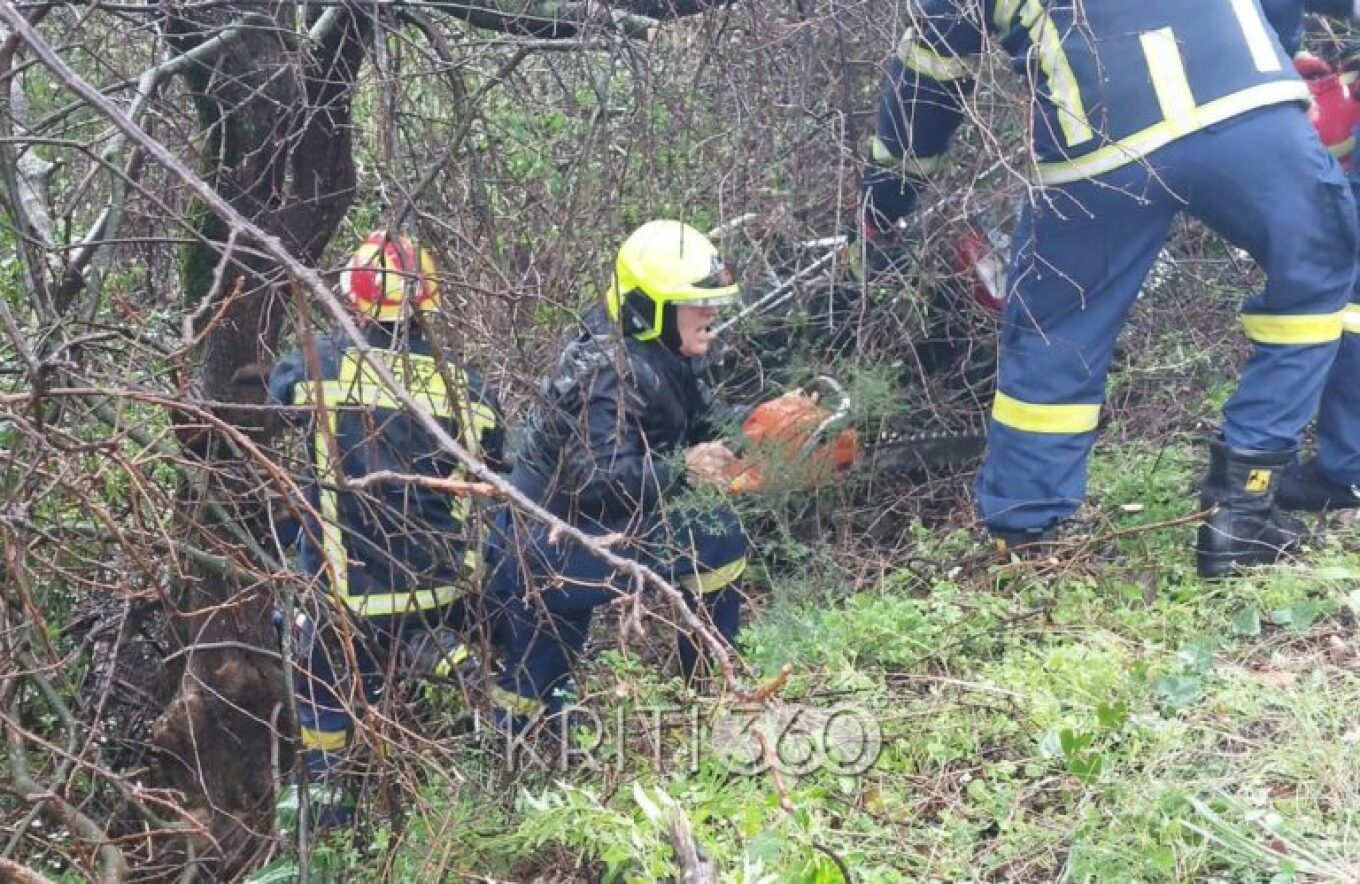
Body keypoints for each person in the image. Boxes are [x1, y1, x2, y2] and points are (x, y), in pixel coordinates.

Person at [862, 0, 1360, 577]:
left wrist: (884, 204)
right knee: (1315, 275)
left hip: (1095, 149)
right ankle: (1243, 510)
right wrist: (1278, 59)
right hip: (1246, 116)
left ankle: (1023, 538)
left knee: (1057, 335)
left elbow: (925, 85)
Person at [268, 231, 505, 817]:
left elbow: (270, 405)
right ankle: (440, 665)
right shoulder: (466, 387)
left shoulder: (321, 363)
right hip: (440, 590)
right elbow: (502, 466)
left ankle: (326, 816)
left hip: (345, 596)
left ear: (353, 301)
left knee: (319, 693)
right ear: (428, 305)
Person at [486, 219, 749, 731]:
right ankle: (712, 695)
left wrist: (762, 423)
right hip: (545, 548)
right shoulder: (609, 370)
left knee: (540, 678)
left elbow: (702, 423)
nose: (710, 312)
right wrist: (681, 469)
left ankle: (518, 745)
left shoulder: (662, 352)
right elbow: (594, 477)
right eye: (696, 302)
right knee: (715, 532)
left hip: (560, 539)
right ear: (651, 307)